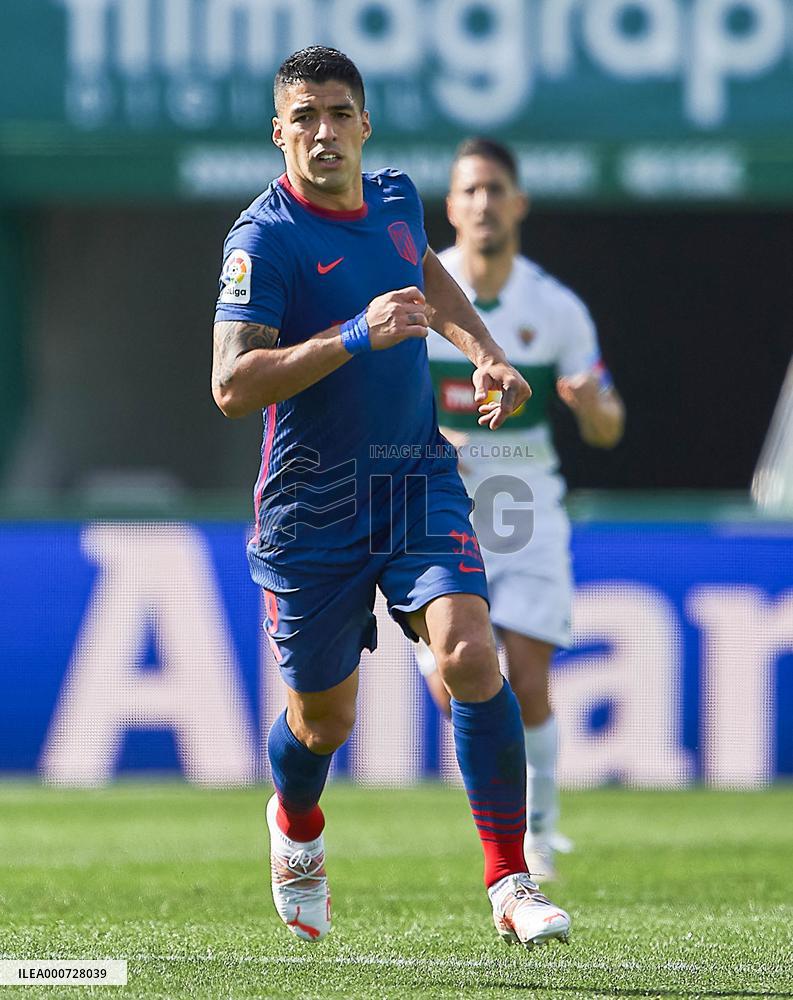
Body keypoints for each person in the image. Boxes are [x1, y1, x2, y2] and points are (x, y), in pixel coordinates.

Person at [211, 47, 571, 949]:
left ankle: (509, 880)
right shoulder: (264, 242)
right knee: (323, 721)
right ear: (278, 132)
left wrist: (483, 348)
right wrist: (350, 332)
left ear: (364, 125)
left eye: (339, 113)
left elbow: (424, 277)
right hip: (311, 506)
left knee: (468, 653)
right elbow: (231, 384)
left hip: (413, 474)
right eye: (304, 117)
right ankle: (294, 825)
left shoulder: (402, 199)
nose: (323, 132)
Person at [415, 138, 625, 880]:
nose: (482, 203)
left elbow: (608, 427)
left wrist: (591, 406)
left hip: (525, 504)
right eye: (468, 191)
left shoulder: (554, 308)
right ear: (450, 206)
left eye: (494, 189)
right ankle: (507, 811)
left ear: (518, 204)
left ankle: (536, 830)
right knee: (456, 678)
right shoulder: (420, 298)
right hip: (435, 502)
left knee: (528, 676)